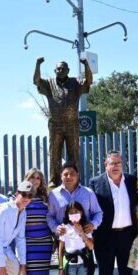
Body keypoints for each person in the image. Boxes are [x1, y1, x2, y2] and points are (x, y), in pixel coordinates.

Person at [47, 162, 102, 275]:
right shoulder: (54, 194)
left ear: (78, 175)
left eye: (72, 173)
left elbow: (98, 213)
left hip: (85, 247)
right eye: (65, 174)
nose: (69, 177)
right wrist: (56, 228)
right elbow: (49, 216)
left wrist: (93, 224)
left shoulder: (88, 193)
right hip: (66, 247)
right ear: (61, 176)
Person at [89, 151, 138, 275]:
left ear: (122, 164)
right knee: (105, 273)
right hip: (105, 236)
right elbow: (91, 209)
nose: (115, 166)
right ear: (106, 165)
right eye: (112, 163)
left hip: (127, 235)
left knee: (126, 273)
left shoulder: (132, 181)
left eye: (118, 163)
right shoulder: (96, 183)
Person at [33, 57, 93, 187]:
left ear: (68, 70)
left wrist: (86, 65)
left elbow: (89, 81)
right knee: (55, 152)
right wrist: (38, 65)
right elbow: (36, 80)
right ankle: (54, 180)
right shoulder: (49, 83)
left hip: (72, 123)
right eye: (58, 69)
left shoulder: (75, 83)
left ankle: (75, 179)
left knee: (74, 153)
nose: (60, 70)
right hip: (55, 124)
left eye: (63, 68)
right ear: (55, 70)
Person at [58, 202, 95, 275]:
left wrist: (81, 232)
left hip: (83, 264)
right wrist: (60, 267)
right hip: (70, 265)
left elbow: (91, 246)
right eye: (71, 212)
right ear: (67, 215)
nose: (74, 214)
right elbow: (61, 249)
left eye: (76, 212)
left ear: (81, 212)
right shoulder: (65, 228)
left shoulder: (86, 227)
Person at [24, 168, 52, 275]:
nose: (35, 180)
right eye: (32, 177)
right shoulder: (21, 195)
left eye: (38, 178)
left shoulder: (46, 198)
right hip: (29, 243)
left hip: (45, 243)